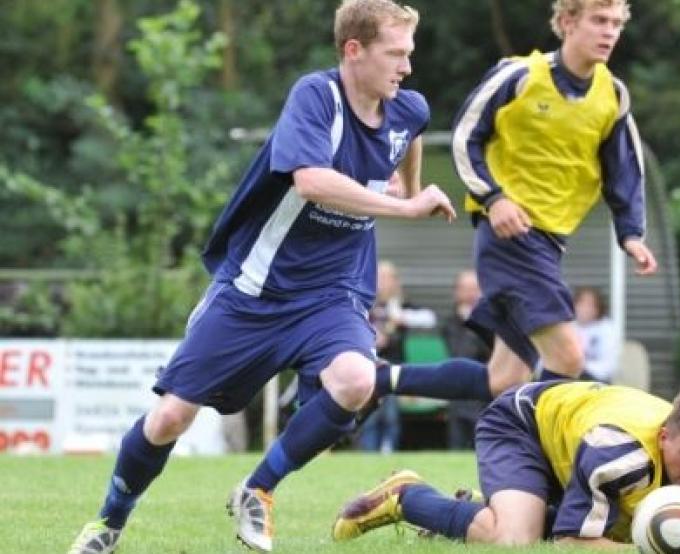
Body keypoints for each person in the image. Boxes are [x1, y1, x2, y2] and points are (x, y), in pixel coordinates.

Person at [67, 1, 455, 552]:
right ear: (353, 50)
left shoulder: (406, 107)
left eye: (409, 54)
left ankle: (258, 488)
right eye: (395, 53)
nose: (407, 67)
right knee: (170, 418)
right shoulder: (317, 97)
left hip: (332, 294)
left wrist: (409, 188)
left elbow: (413, 127)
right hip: (256, 290)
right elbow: (311, 181)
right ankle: (108, 523)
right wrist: (404, 206)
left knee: (357, 380)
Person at [371, 0, 657, 408]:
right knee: (568, 358)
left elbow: (625, 169)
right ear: (567, 22)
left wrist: (631, 234)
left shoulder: (613, 95)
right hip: (511, 239)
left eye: (615, 23)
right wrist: (494, 198)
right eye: (598, 20)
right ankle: (533, 447)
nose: (609, 31)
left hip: (550, 246)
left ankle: (380, 379)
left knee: (503, 379)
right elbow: (464, 137)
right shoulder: (519, 76)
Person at [333, 382, 680, 547]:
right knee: (514, 539)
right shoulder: (618, 455)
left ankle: (477, 506)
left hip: (575, 442)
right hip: (523, 425)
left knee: (619, 525)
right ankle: (406, 496)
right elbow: (571, 542)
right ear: (664, 437)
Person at [359, 260, 437, 453]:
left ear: (395, 281)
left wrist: (401, 317)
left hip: (394, 366)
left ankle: (388, 449)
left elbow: (430, 318)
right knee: (370, 414)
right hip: (367, 367)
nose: (383, 282)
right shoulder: (363, 304)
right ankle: (368, 453)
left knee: (390, 413)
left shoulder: (400, 306)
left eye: (387, 277)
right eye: (379, 277)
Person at [441, 269, 492, 449]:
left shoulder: (493, 322)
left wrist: (474, 323)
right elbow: (460, 353)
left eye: (474, 289)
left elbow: (488, 351)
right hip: (458, 392)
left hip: (485, 391)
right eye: (465, 289)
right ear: (456, 292)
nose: (470, 294)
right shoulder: (450, 323)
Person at [573, 286, 619, 383]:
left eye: (590, 305)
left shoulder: (606, 329)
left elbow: (608, 367)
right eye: (581, 304)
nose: (585, 309)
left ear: (598, 308)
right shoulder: (566, 326)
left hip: (596, 381)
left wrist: (581, 366)